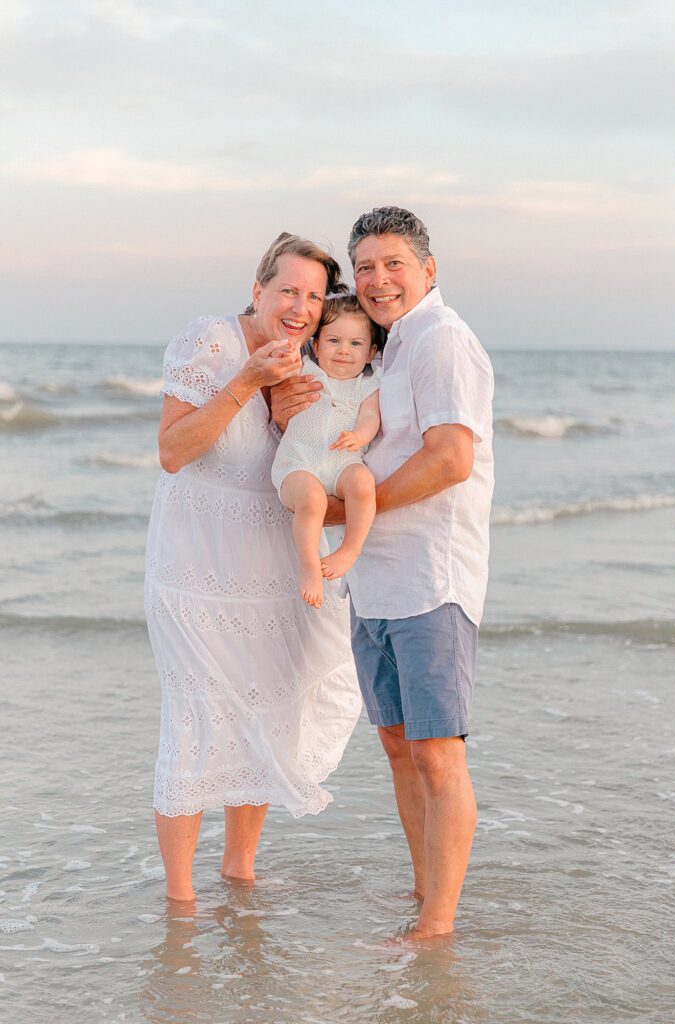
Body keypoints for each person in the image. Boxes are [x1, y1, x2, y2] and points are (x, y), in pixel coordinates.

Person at [275, 206, 494, 940]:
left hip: (432, 577)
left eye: (393, 263)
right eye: (364, 266)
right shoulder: (390, 349)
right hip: (376, 580)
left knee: (437, 752)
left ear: (428, 270)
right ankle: (425, 890)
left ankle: (440, 921)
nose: (377, 279)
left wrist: (342, 516)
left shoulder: (442, 342)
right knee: (400, 747)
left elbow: (451, 458)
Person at [145, 233, 363, 902]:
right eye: (288, 291)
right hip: (194, 571)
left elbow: (302, 466)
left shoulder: (311, 364)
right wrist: (247, 384)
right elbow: (174, 451)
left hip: (268, 570)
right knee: (195, 718)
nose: (300, 308)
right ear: (257, 288)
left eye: (314, 297)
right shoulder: (210, 341)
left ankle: (239, 869)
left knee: (267, 709)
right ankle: (180, 900)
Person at [271, 293, 383, 609]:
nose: (344, 351)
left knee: (363, 484)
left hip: (342, 461)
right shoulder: (305, 369)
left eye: (356, 344)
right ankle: (310, 567)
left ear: (371, 351)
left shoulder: (367, 385)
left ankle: (350, 549)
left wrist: (360, 435)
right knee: (311, 498)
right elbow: (282, 355)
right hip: (299, 463)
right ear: (317, 345)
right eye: (334, 340)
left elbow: (371, 417)